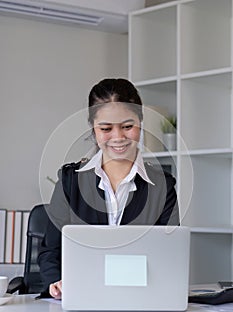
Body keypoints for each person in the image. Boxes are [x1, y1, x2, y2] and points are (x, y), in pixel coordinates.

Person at [38, 78, 179, 299]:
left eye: (127, 126)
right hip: (80, 298)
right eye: (106, 128)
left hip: (141, 298)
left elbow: (170, 254)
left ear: (140, 123)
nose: (118, 137)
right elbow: (50, 251)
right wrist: (54, 282)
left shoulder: (163, 186)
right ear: (93, 129)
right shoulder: (70, 181)